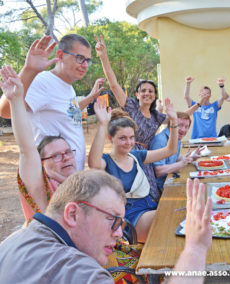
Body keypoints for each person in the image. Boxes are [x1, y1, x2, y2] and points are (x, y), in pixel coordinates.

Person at [0, 170, 212, 284]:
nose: (119, 233)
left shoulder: (13, 241)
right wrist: (195, 248)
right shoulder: (80, 271)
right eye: (114, 219)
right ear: (72, 214)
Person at [95, 35, 198, 202]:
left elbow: (181, 116)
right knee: (126, 195)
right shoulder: (130, 107)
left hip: (145, 158)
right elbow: (113, 84)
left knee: (152, 195)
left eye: (151, 91)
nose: (147, 93)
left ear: (155, 95)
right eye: (143, 90)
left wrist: (199, 104)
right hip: (126, 153)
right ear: (137, 94)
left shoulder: (157, 116)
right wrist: (103, 57)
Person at [0, 35, 105, 171]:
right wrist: (29, 70)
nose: (85, 65)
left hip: (69, 177)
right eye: (80, 58)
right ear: (60, 55)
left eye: (87, 60)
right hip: (51, 179)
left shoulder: (68, 86)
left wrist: (91, 97)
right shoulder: (43, 82)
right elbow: (6, 111)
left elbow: (69, 112)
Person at [88, 100, 178, 242]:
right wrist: (102, 124)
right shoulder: (107, 161)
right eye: (122, 138)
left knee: (181, 212)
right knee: (169, 217)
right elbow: (93, 163)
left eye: (131, 137)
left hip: (150, 206)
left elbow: (170, 150)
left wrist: (173, 122)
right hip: (130, 217)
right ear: (110, 139)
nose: (129, 142)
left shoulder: (137, 156)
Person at [0, 65, 78, 222]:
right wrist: (16, 100)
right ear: (41, 163)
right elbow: (26, 149)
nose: (65, 158)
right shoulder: (42, 187)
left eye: (68, 152)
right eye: (56, 156)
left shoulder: (78, 183)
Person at [150, 112, 202, 191]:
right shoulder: (161, 140)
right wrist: (181, 164)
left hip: (169, 180)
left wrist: (191, 157)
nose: (183, 130)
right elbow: (158, 171)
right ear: (171, 124)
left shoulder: (176, 137)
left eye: (186, 126)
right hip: (160, 189)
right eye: (180, 125)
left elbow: (174, 158)